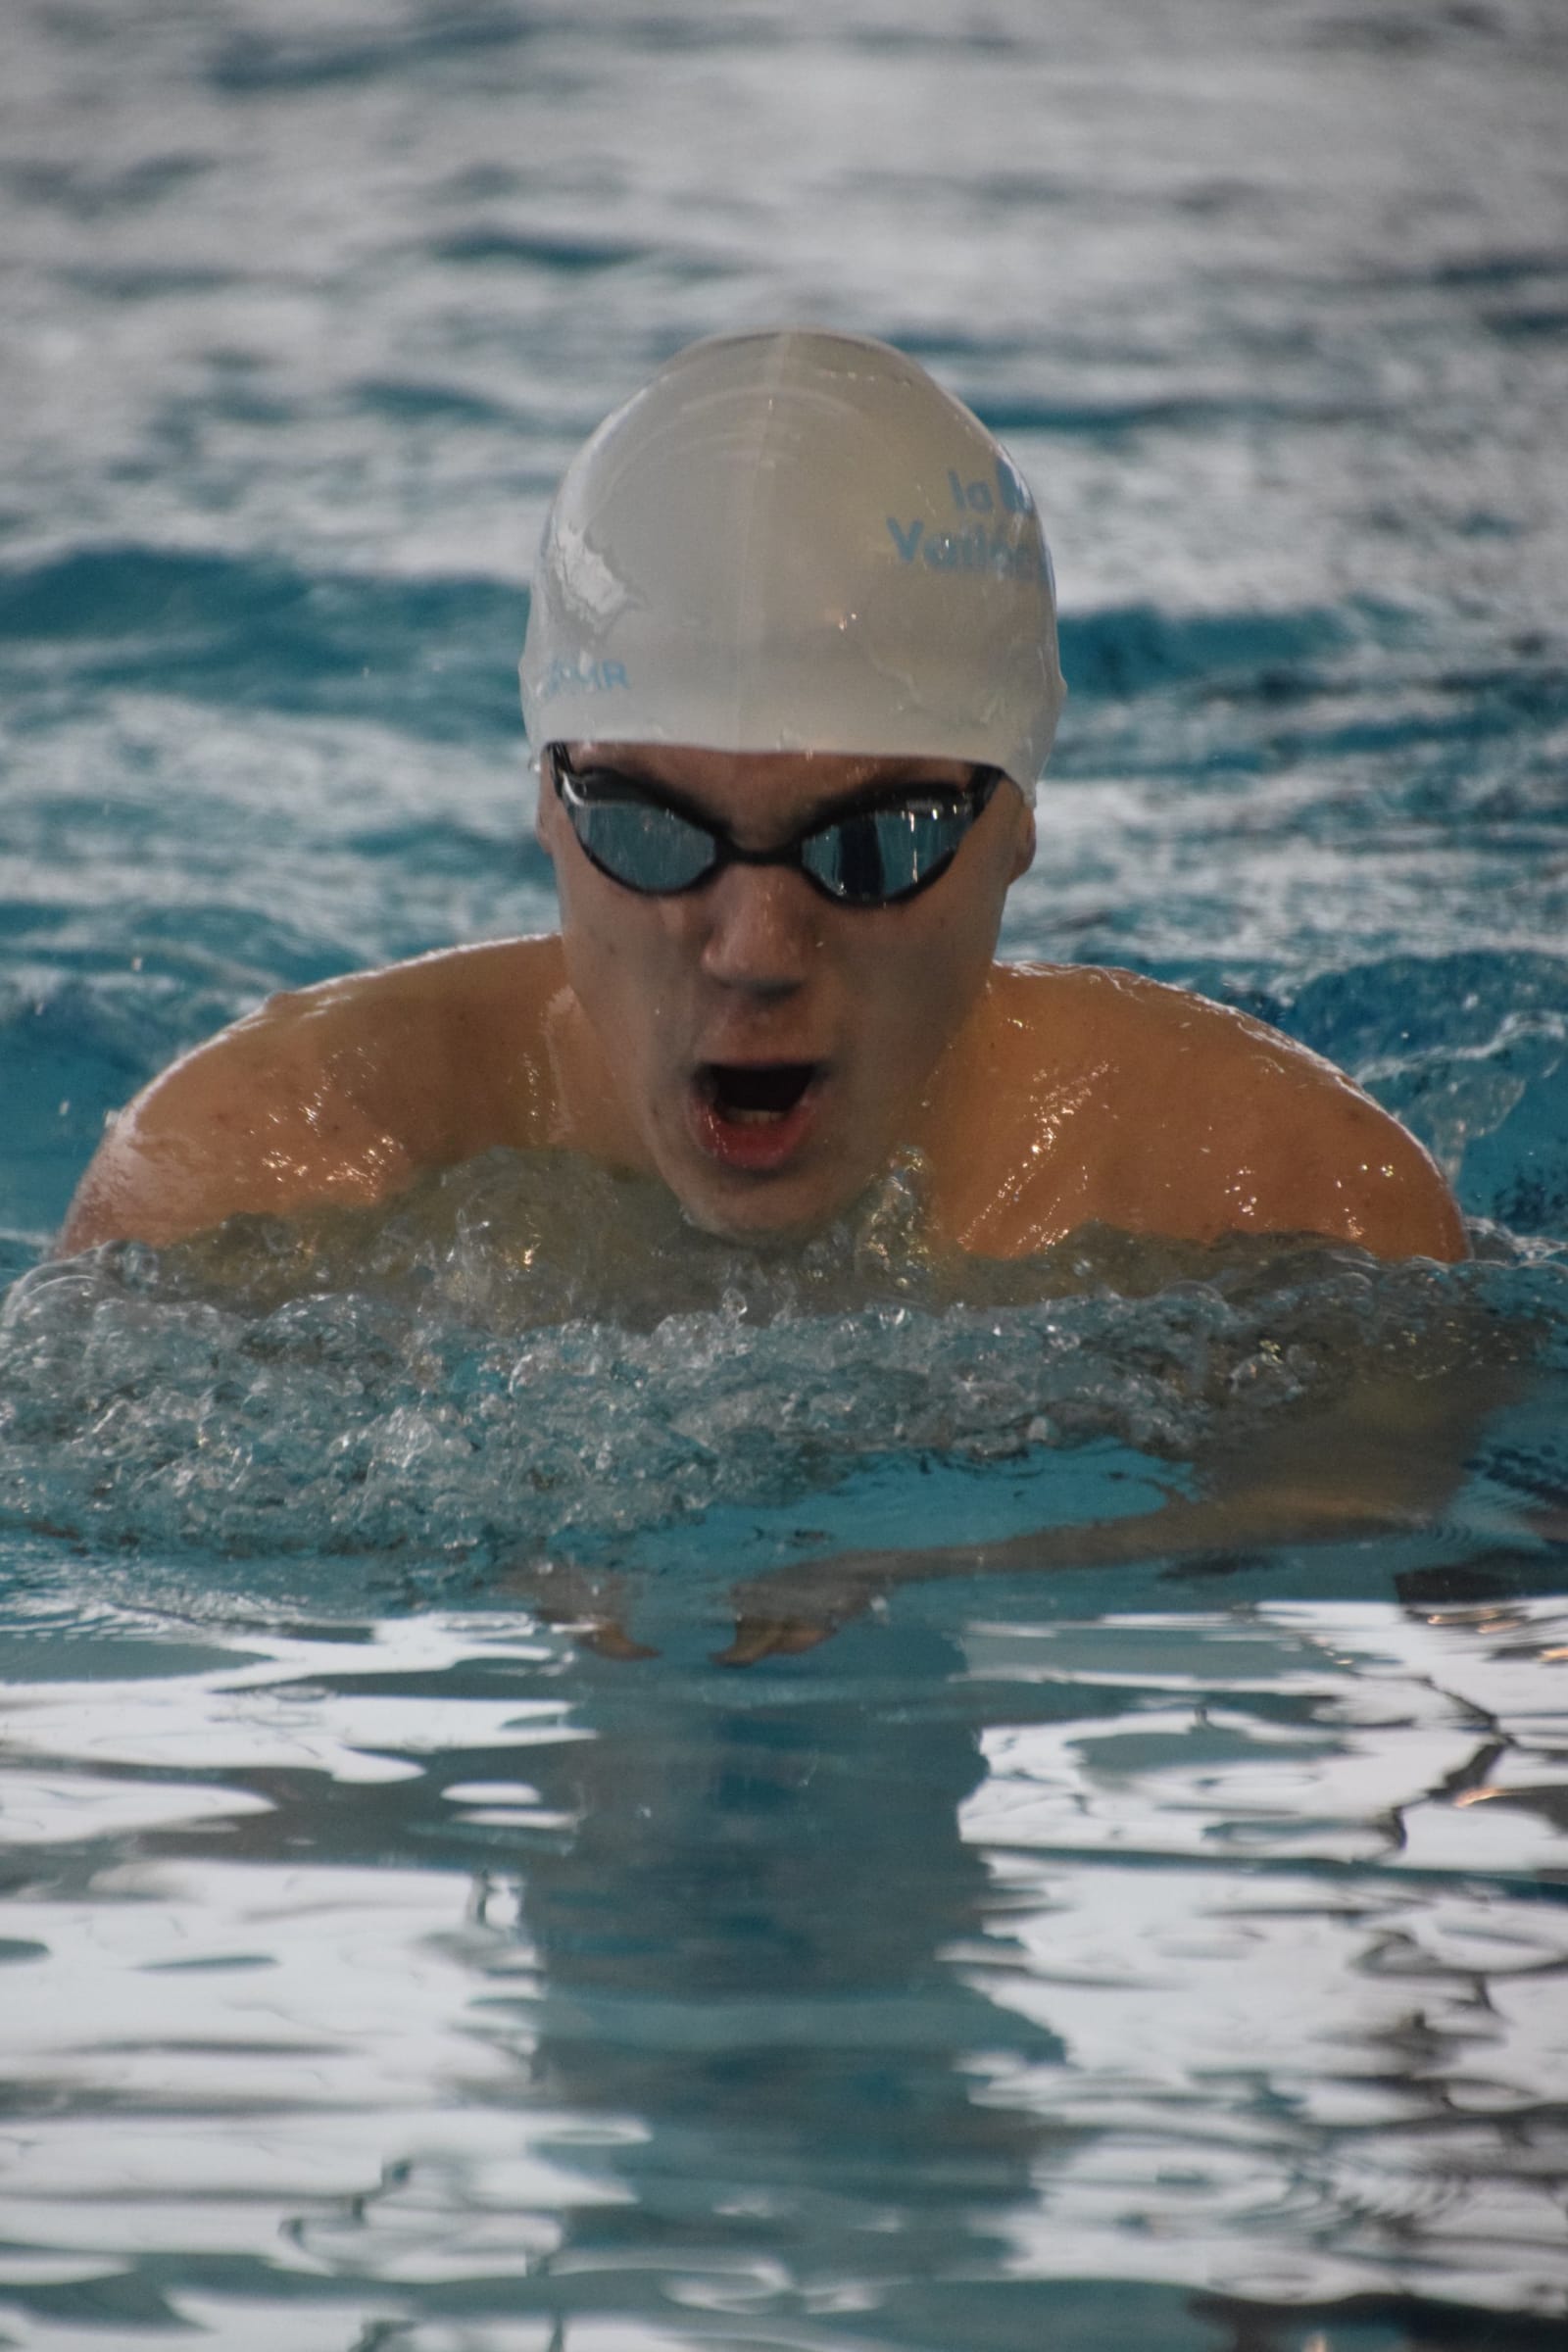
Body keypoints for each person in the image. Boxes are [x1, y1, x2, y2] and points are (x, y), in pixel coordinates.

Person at [59, 328, 1465, 1265]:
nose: (752, 949)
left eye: (874, 844)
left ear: (1017, 830)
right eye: (650, 829)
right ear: (546, 807)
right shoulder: (245, 1183)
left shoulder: (1290, 1211)